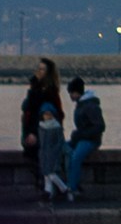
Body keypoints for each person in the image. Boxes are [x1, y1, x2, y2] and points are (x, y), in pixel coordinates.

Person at [20, 58, 68, 202]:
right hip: (33, 129)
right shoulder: (35, 88)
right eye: (38, 68)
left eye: (42, 69)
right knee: (41, 159)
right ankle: (51, 189)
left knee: (43, 159)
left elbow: (46, 114)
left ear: (48, 73)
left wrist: (33, 133)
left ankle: (54, 189)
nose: (38, 72)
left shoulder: (49, 93)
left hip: (43, 132)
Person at [65, 76, 106, 202]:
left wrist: (80, 134)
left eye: (71, 93)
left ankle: (72, 188)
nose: (70, 96)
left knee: (76, 157)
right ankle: (72, 183)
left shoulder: (90, 106)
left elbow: (100, 126)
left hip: (91, 140)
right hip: (80, 138)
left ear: (77, 92)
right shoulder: (81, 104)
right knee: (64, 149)